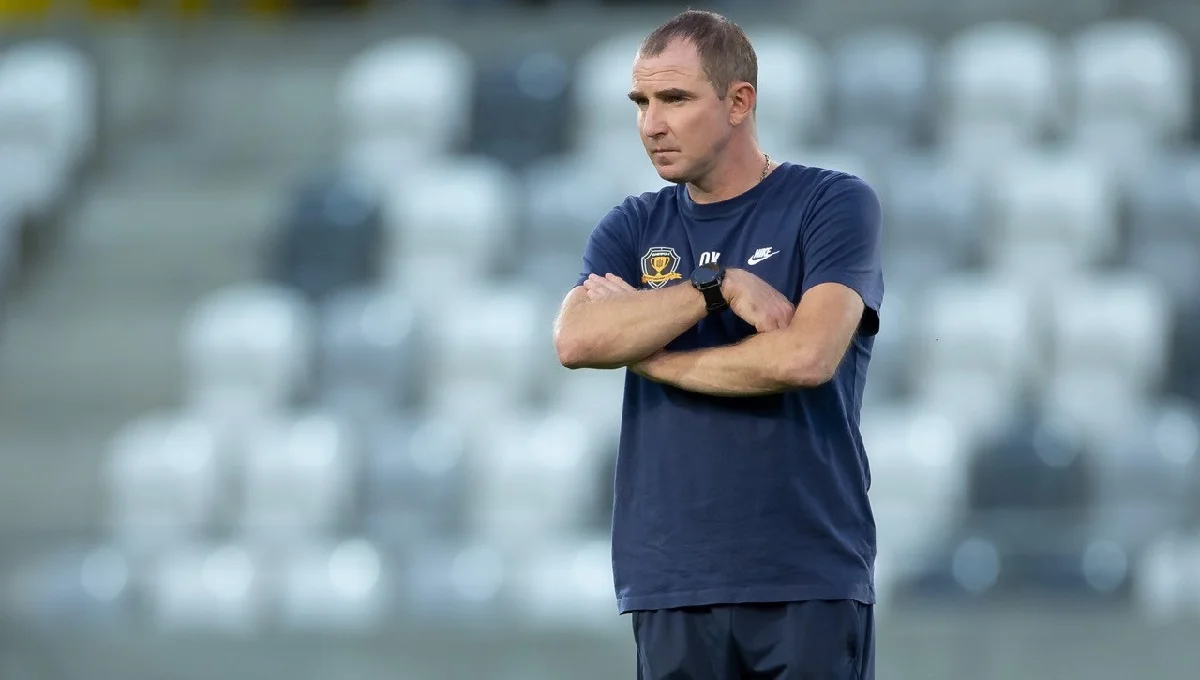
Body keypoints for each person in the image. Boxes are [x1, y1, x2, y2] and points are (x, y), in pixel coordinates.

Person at [552, 9, 884, 680]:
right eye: (641, 102)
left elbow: (805, 357)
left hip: (804, 570)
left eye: (675, 98)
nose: (651, 124)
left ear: (739, 102)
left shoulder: (831, 203)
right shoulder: (631, 225)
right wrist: (716, 286)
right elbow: (578, 339)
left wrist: (651, 354)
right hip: (671, 578)